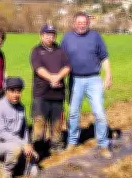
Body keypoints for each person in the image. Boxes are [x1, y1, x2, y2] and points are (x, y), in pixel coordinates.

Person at [60, 12, 113, 158]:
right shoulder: (67, 38)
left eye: (84, 23)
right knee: (73, 113)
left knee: (99, 112)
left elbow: (104, 57)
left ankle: (103, 144)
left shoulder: (95, 36)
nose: (81, 25)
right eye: (79, 22)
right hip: (74, 79)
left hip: (94, 79)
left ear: (88, 24)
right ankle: (72, 141)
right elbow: (60, 59)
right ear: (74, 23)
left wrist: (108, 75)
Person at [30, 24, 70, 156]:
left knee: (57, 124)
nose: (49, 37)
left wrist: (58, 77)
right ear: (41, 36)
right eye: (47, 34)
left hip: (58, 94)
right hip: (41, 94)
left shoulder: (61, 51)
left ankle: (56, 145)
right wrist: (51, 78)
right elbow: (38, 68)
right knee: (39, 123)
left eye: (52, 34)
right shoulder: (36, 51)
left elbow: (67, 66)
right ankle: (37, 147)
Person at [0, 77, 38, 178]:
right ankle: (6, 171)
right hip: (0, 144)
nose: (16, 94)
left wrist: (27, 144)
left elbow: (24, 130)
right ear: (6, 91)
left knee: (34, 169)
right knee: (15, 149)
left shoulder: (21, 107)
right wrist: (23, 144)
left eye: (18, 91)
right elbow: (2, 133)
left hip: (18, 143)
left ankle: (16, 164)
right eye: (12, 91)